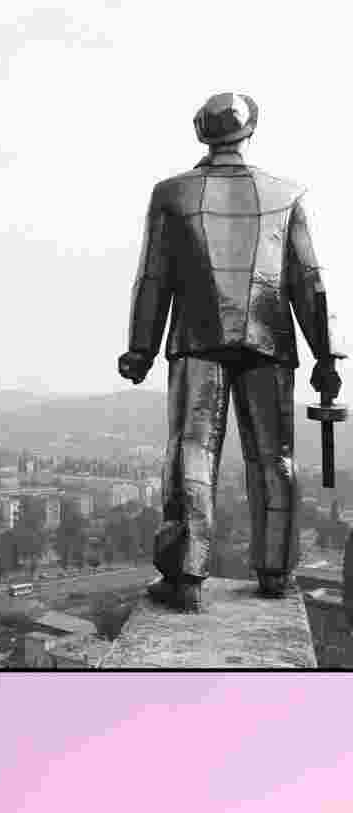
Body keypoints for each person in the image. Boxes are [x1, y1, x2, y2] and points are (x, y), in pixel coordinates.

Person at [119, 92, 345, 612]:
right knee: (275, 459)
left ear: (202, 132)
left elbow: (154, 277)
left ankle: (186, 576)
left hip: (198, 341)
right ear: (251, 130)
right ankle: (276, 573)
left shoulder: (172, 194)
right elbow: (310, 279)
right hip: (269, 341)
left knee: (191, 455)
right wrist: (327, 357)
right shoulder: (287, 195)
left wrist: (140, 348)